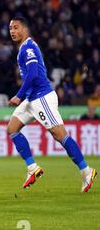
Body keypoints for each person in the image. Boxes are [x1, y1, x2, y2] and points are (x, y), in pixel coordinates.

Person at [8, 17, 96, 192]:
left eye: (15, 28)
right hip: (32, 99)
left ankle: (86, 171)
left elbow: (33, 75)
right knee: (12, 128)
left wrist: (18, 96)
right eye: (10, 28)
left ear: (25, 29)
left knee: (59, 135)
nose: (12, 31)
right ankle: (32, 168)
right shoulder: (24, 48)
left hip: (42, 97)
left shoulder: (29, 47)